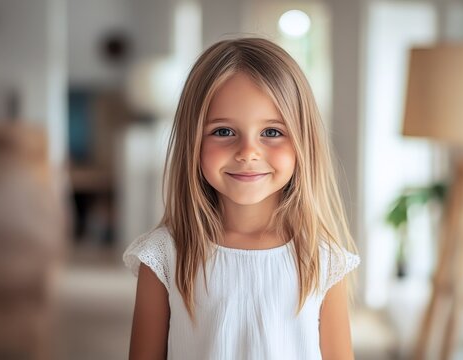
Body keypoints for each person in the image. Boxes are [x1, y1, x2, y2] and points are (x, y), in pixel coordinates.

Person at [123, 37, 360, 360]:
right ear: (192, 141)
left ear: (303, 141)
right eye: (223, 131)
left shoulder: (322, 259)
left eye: (272, 132)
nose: (248, 152)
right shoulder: (164, 256)